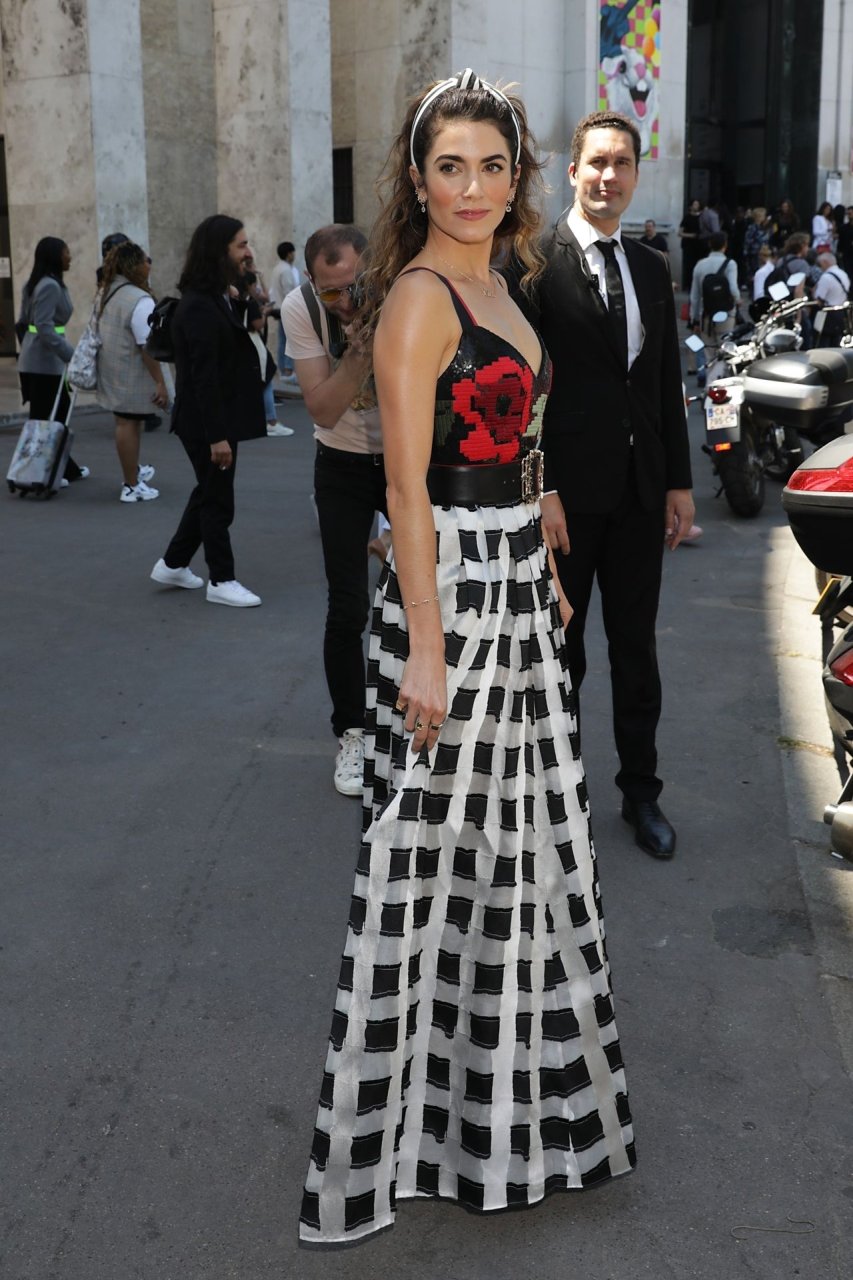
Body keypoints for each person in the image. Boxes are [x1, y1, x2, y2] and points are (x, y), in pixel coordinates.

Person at [299, 69, 635, 1246]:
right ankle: (385, 1149)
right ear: (416, 176)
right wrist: (427, 651)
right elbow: (404, 483)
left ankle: (507, 1124)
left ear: (516, 174)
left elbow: (516, 440)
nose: (474, 187)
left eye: (492, 165)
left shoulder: (502, 280)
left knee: (527, 849)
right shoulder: (417, 298)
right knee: (425, 861)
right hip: (445, 594)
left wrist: (543, 542)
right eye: (451, 166)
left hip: (514, 581)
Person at [509, 109, 694, 859]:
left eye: (621, 163)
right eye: (596, 162)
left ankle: (640, 794)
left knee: (635, 651)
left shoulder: (650, 265)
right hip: (564, 501)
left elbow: (660, 381)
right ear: (572, 171)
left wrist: (678, 482)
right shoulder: (531, 263)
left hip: (640, 494)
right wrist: (541, 487)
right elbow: (520, 392)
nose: (608, 176)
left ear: (636, 174)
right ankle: (558, 797)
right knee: (561, 654)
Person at [282, 224, 384, 796]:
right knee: (347, 607)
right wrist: (363, 349)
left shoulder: (403, 291)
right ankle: (352, 732)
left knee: (429, 594)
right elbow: (322, 409)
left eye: (356, 286)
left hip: (408, 460)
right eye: (331, 292)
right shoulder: (301, 309)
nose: (346, 301)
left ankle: (420, 720)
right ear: (311, 282)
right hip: (341, 463)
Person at [150, 215, 265, 607]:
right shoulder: (199, 306)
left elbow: (247, 325)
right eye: (241, 245)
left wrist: (244, 288)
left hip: (212, 419)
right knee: (218, 501)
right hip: (205, 423)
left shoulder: (216, 296)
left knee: (208, 492)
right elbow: (203, 378)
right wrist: (217, 436)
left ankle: (173, 563)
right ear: (219, 251)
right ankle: (221, 580)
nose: (248, 251)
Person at [95, 241, 168, 501]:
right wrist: (160, 382)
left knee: (127, 422)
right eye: (146, 260)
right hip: (129, 370)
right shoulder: (139, 299)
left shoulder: (108, 290)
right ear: (134, 265)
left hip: (113, 366)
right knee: (128, 423)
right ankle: (131, 485)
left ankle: (133, 472)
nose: (149, 265)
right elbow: (147, 345)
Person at [17, 236, 89, 483]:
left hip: (36, 360)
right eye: (66, 252)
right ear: (55, 256)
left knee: (47, 416)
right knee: (51, 417)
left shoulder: (35, 283)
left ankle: (62, 467)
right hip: (44, 362)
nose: (70, 256)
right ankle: (41, 471)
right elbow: (44, 326)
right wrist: (71, 354)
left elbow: (24, 323)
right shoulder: (50, 286)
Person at [689, 229, 739, 386]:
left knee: (709, 353)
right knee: (725, 351)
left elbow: (695, 296)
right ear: (725, 245)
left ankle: (710, 385)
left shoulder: (700, 265)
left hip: (706, 315)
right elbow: (733, 290)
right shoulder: (730, 264)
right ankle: (722, 384)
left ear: (710, 244)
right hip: (726, 315)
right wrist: (738, 300)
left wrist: (694, 319)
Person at [268, 240, 299, 380]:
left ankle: (283, 370)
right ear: (289, 254)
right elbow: (289, 292)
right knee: (289, 340)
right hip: (288, 309)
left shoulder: (277, 268)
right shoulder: (286, 270)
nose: (294, 255)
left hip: (280, 308)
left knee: (283, 339)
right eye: (293, 252)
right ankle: (287, 370)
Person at [814, 251, 851, 347]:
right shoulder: (843, 274)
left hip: (828, 314)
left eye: (820, 264)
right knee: (837, 343)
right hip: (841, 312)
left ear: (825, 262)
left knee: (823, 343)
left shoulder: (826, 277)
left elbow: (819, 298)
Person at [678, 198, 702, 290]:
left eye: (697, 204)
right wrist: (691, 235)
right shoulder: (687, 217)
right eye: (695, 204)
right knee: (689, 266)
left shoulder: (702, 217)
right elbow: (680, 233)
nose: (696, 206)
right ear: (690, 206)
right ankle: (689, 286)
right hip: (688, 245)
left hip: (699, 245)